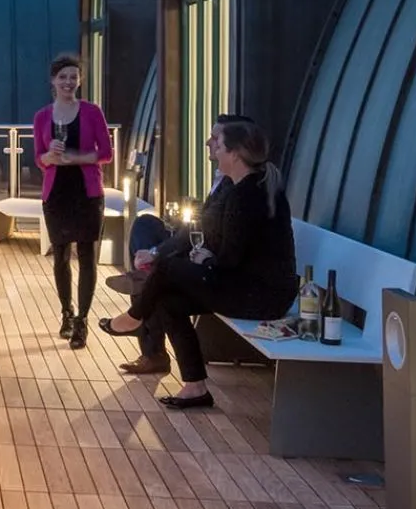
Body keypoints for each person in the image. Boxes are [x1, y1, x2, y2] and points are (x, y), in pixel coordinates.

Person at [99, 115, 296, 407]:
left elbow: (230, 259)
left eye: (219, 144)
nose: (213, 148)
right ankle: (195, 386)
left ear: (236, 153)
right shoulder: (244, 187)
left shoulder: (247, 195)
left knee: (167, 268)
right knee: (168, 301)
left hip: (258, 296)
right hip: (244, 286)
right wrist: (203, 257)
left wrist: (204, 259)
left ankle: (134, 317)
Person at [34, 54, 112, 349]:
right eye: (63, 76)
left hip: (87, 193)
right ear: (53, 81)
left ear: (79, 81)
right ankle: (66, 313)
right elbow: (39, 159)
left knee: (88, 257)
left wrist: (74, 157)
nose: (68, 82)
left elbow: (106, 153)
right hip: (56, 194)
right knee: (61, 257)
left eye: (73, 77)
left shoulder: (92, 112)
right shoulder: (42, 116)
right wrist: (50, 157)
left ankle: (82, 321)